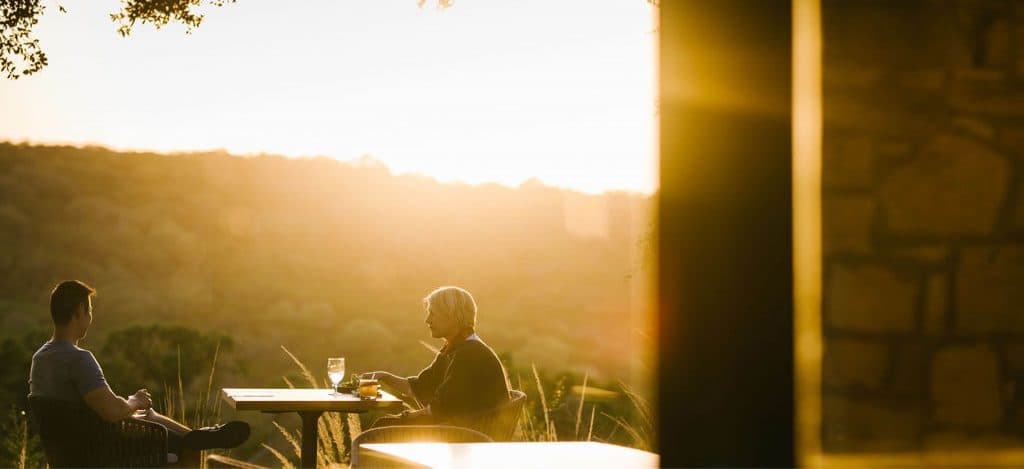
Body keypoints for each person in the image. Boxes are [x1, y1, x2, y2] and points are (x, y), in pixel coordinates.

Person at [28, 280, 250, 462]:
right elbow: (112, 412)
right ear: (79, 313)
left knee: (147, 416)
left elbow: (90, 409)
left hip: (68, 455)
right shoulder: (79, 359)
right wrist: (134, 400)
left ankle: (201, 434)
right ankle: (198, 437)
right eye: (90, 311)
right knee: (187, 447)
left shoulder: (39, 360)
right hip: (104, 454)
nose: (91, 317)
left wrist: (131, 407)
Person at [362, 286, 511, 426]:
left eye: (433, 313)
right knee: (385, 423)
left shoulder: (469, 354)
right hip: (463, 432)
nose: (428, 320)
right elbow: (420, 386)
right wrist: (384, 376)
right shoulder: (456, 348)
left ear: (453, 316)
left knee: (384, 425)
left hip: (465, 439)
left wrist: (404, 417)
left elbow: (441, 409)